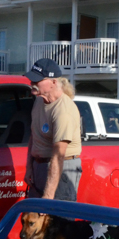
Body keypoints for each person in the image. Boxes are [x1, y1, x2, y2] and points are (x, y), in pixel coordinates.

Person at [24, 59, 82, 202]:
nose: (32, 83)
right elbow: (34, 135)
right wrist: (30, 167)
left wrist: (48, 195)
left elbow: (58, 155)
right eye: (31, 79)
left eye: (37, 80)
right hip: (41, 166)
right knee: (37, 218)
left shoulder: (64, 110)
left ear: (53, 82)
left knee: (59, 220)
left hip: (62, 169)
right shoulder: (39, 101)